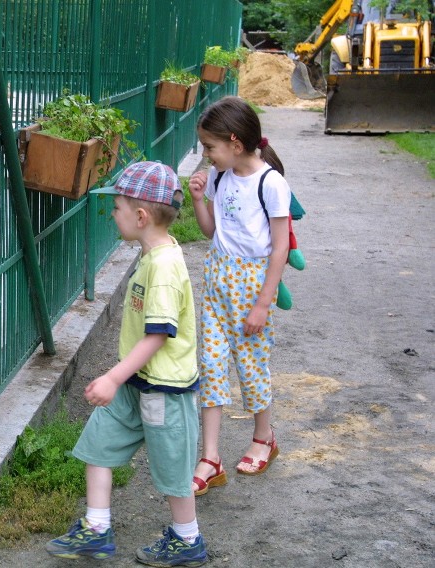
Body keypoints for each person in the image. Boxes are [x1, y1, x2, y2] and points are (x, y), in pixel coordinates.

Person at [45, 161, 207, 567]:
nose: (111, 215)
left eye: (115, 208)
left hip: (162, 390)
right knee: (98, 447)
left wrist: (113, 377)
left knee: (172, 468)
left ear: (140, 216)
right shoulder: (150, 255)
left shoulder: (165, 267)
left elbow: (157, 334)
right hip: (136, 381)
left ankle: (188, 539)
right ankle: (97, 530)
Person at [187, 96, 290, 496]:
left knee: (250, 366)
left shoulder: (271, 183)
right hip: (216, 281)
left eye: (209, 147)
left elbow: (279, 248)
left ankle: (264, 437)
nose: (205, 156)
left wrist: (263, 304)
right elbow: (212, 232)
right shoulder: (220, 176)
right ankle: (210, 457)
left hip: (251, 287)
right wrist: (198, 199)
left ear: (234, 142)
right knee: (211, 365)